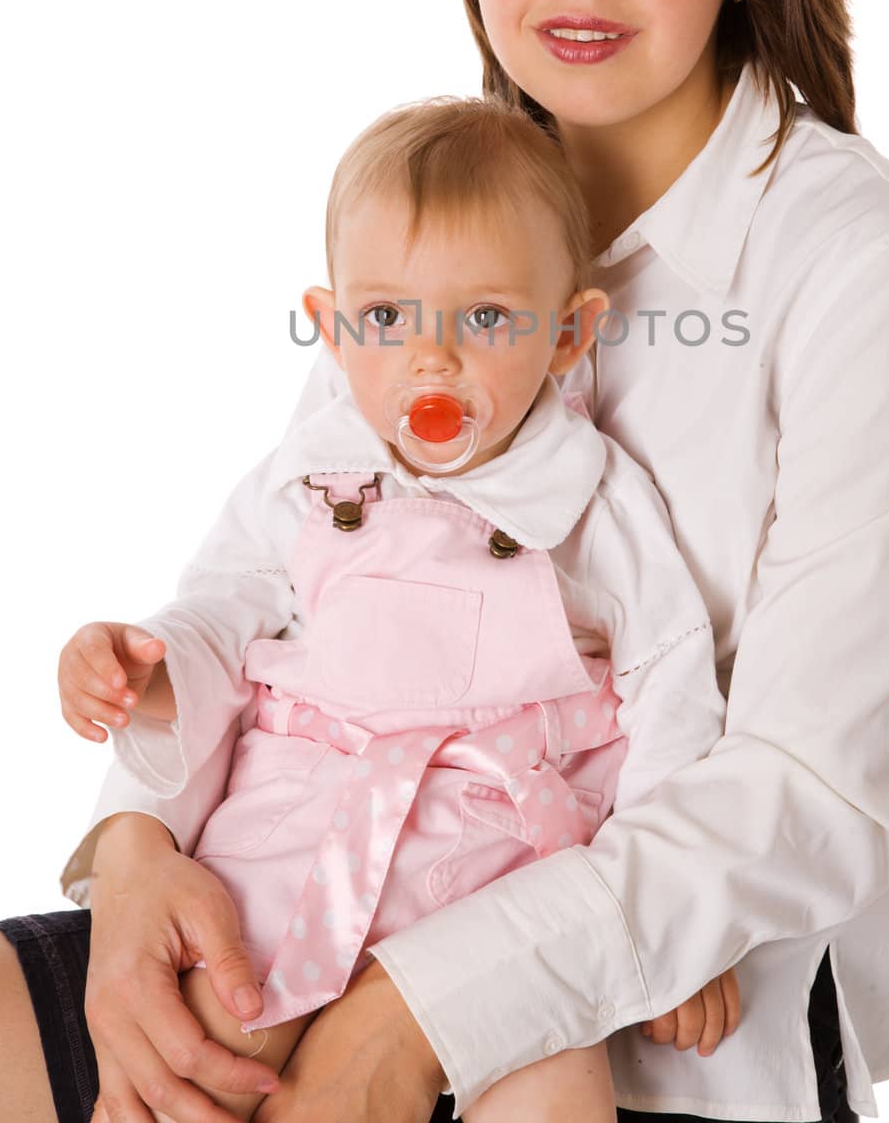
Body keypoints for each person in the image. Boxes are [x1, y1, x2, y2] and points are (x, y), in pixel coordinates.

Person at [0, 0, 889, 1123]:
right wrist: (135, 849)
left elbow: (812, 796)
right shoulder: (440, 215)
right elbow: (268, 575)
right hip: (304, 904)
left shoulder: (859, 257)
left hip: (646, 1025)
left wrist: (412, 1016)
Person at [52, 96, 741, 1123]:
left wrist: (681, 926)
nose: (431, 359)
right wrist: (151, 671)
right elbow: (225, 609)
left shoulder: (591, 502)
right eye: (386, 320)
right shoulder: (311, 475)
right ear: (331, 332)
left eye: (484, 319)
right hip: (296, 848)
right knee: (206, 1045)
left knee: (557, 1091)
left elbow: (672, 692)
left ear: (565, 335)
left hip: (506, 880)